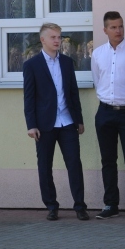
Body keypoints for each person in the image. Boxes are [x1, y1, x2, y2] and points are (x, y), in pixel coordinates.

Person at [23, 23, 87, 221]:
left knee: (74, 164)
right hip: (44, 125)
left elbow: (73, 93)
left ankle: (80, 207)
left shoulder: (67, 62)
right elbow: (29, 98)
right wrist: (31, 125)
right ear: (42, 40)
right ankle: (51, 206)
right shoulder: (32, 65)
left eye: (59, 37)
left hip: (67, 122)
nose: (57, 40)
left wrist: (79, 120)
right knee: (45, 167)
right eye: (53, 37)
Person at [91, 12, 125, 220]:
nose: (118, 30)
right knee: (108, 160)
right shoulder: (97, 54)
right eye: (113, 27)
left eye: (121, 26)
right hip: (105, 112)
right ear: (105, 30)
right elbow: (98, 80)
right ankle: (110, 204)